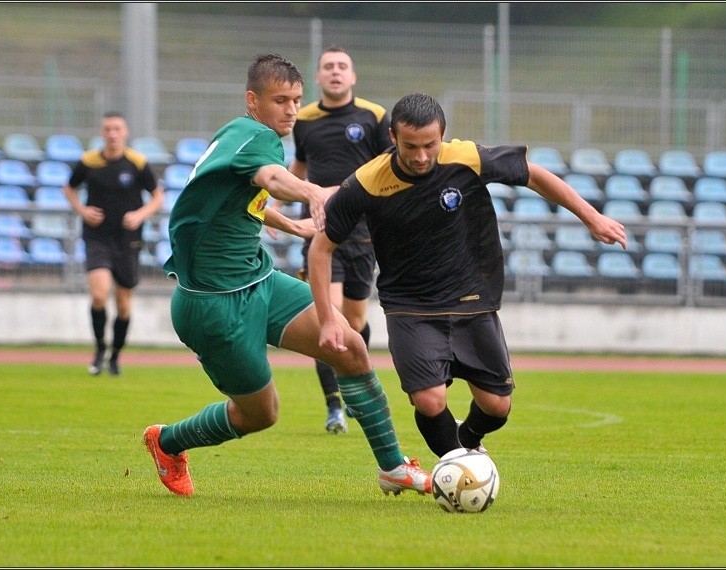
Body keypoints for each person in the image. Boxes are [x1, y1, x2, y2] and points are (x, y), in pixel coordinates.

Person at [142, 54, 431, 497]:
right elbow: (271, 178)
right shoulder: (257, 135)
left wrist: (289, 224)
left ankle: (392, 467)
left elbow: (241, 193)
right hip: (212, 306)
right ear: (252, 100)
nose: (292, 110)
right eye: (281, 100)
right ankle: (167, 442)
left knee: (350, 347)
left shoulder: (239, 136)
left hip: (260, 281)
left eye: (297, 100)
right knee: (261, 414)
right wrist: (313, 191)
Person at [308, 93, 628, 459]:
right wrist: (327, 318)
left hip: (472, 297)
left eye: (430, 145)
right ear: (393, 138)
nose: (421, 156)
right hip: (410, 306)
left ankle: (468, 438)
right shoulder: (367, 182)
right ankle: (457, 466)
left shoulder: (467, 157)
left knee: (497, 406)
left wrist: (592, 217)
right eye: (410, 146)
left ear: (443, 135)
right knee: (429, 400)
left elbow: (533, 174)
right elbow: (321, 248)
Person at [277, 46, 391, 434]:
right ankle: (335, 407)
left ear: (353, 76)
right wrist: (275, 204)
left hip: (364, 234)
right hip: (321, 232)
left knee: (355, 322)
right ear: (319, 77)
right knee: (330, 316)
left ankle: (357, 380)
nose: (336, 72)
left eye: (343, 66)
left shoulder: (374, 117)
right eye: (328, 67)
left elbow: (390, 169)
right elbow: (299, 168)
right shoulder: (304, 120)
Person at [64, 111, 164, 377]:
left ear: (125, 132)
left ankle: (115, 356)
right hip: (97, 237)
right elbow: (69, 188)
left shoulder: (137, 163)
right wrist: (82, 210)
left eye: (117, 129)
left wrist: (140, 215)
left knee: (123, 304)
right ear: (102, 133)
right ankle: (98, 350)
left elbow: (157, 196)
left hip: (127, 241)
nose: (112, 133)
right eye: (107, 129)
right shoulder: (89, 162)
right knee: (99, 294)